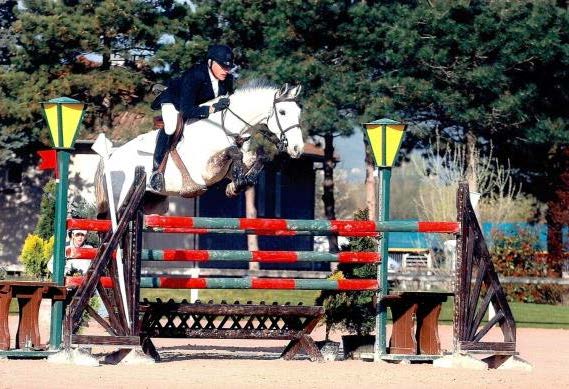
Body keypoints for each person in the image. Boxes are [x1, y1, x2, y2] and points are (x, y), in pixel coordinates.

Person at [149, 44, 236, 192]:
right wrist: (212, 108)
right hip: (175, 102)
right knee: (171, 127)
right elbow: (187, 110)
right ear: (210, 63)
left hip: (196, 103)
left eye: (228, 67)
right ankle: (156, 172)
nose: (226, 71)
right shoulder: (195, 75)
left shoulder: (227, 79)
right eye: (222, 66)